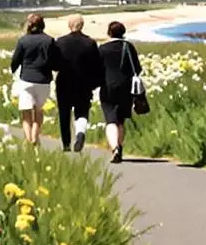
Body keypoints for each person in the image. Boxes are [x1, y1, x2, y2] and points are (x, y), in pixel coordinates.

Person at [51, 15, 102, 152]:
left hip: (64, 82)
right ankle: (80, 133)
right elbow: (97, 65)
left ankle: (66, 143)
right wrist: (95, 83)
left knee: (64, 113)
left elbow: (55, 64)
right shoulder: (90, 43)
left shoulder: (60, 42)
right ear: (82, 25)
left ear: (69, 25)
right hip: (84, 82)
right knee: (82, 111)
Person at [97, 20, 142, 164]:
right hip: (126, 87)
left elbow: (96, 70)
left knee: (110, 119)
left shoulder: (102, 48)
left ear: (109, 33)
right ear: (123, 32)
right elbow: (137, 68)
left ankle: (114, 148)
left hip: (107, 86)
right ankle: (119, 147)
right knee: (121, 120)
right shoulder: (128, 47)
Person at [10, 14, 55, 145]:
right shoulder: (49, 40)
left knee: (26, 112)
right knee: (39, 111)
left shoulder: (23, 40)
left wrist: (13, 71)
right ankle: (35, 135)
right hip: (44, 80)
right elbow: (55, 61)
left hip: (26, 79)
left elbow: (15, 60)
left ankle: (29, 138)